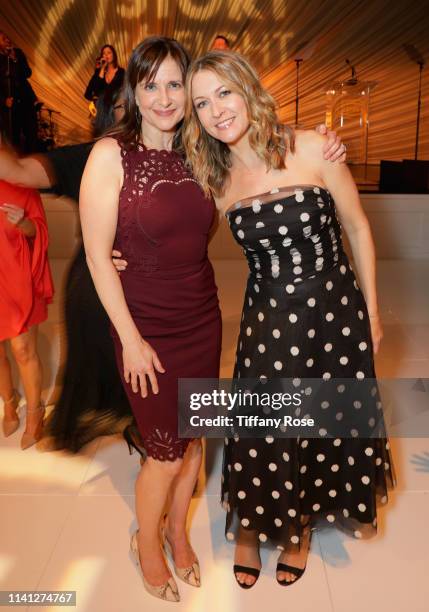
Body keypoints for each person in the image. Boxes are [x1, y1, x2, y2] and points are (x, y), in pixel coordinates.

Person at [182, 50, 395, 589]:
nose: (216, 111)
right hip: (269, 317)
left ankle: (297, 528)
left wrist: (371, 310)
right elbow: (179, 243)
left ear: (247, 87)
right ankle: (252, 530)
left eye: (223, 93)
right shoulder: (214, 176)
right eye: (201, 102)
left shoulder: (313, 147)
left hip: (335, 313)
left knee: (322, 419)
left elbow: (358, 227)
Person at [80, 36, 223, 603]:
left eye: (174, 83)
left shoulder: (204, 151)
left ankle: (176, 531)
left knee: (194, 443)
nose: (164, 97)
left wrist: (324, 147)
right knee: (164, 451)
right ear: (134, 91)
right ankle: (146, 542)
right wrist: (132, 342)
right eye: (150, 84)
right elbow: (97, 256)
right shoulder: (110, 155)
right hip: (145, 327)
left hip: (202, 316)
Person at [0, 89, 134, 453]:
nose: (142, 105)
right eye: (125, 103)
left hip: (161, 282)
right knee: (97, 343)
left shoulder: (179, 156)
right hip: (93, 278)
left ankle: (160, 439)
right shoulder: (90, 155)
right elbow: (17, 171)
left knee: (165, 379)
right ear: (108, 113)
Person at [0, 145, 54, 449]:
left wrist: (23, 223)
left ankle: (35, 413)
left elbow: (40, 231)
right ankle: (9, 401)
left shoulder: (22, 183)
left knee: (23, 350)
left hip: (19, 279)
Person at [0, 30, 38, 153]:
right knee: (13, 138)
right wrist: (4, 101)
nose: (7, 40)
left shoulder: (18, 53)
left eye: (7, 37)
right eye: (3, 39)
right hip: (9, 105)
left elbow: (28, 73)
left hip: (25, 100)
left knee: (31, 134)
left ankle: (32, 163)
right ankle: (16, 167)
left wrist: (15, 59)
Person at [84, 44, 125, 113]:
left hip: (117, 112)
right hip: (101, 114)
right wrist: (102, 69)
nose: (106, 55)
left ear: (114, 55)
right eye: (104, 53)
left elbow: (127, 92)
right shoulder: (99, 73)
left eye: (109, 53)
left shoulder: (121, 72)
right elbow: (87, 94)